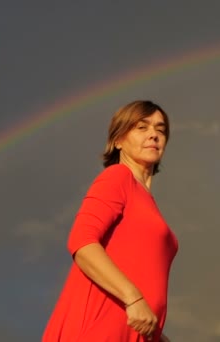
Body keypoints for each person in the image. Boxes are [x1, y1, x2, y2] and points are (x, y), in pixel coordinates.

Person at [42, 100, 179, 342]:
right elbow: (82, 242)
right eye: (141, 127)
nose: (153, 135)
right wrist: (133, 298)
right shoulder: (117, 177)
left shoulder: (147, 200)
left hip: (134, 329)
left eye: (160, 129)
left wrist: (158, 336)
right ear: (118, 141)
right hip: (100, 328)